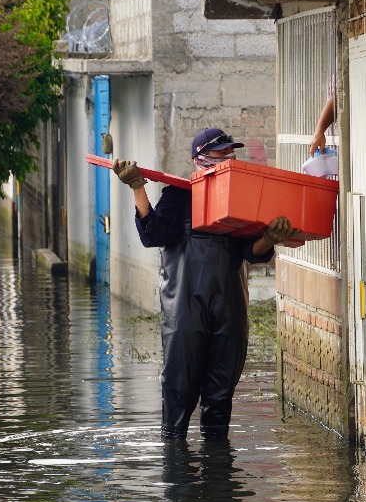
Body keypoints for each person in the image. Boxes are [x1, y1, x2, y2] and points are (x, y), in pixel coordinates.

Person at [111, 128, 296, 440]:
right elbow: (152, 234)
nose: (228, 159)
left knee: (220, 399)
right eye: (221, 154)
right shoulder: (180, 195)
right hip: (184, 311)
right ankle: (177, 476)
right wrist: (137, 186)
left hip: (230, 310)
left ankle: (218, 480)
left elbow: (251, 252)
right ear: (201, 158)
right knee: (179, 395)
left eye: (230, 153)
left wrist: (268, 238)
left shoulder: (241, 198)